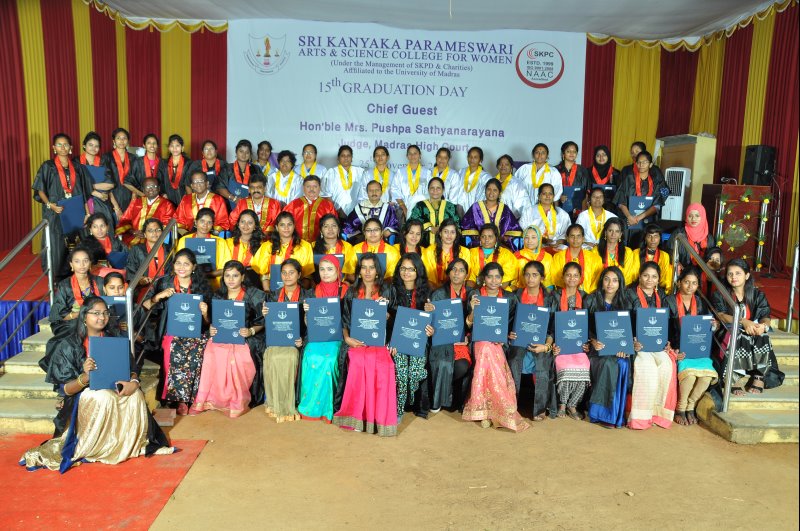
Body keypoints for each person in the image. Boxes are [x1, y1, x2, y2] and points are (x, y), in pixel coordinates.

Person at [20, 297, 173, 472]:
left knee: (135, 395)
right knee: (104, 396)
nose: (102, 317)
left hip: (115, 387)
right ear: (84, 316)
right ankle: (99, 447)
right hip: (82, 394)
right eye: (96, 313)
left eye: (105, 313)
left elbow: (130, 369)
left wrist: (134, 382)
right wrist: (85, 377)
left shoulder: (116, 339)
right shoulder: (68, 345)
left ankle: (125, 444)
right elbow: (66, 389)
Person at [333, 253, 397, 436]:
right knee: (358, 361)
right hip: (357, 341)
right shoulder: (352, 292)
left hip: (380, 342)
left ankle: (378, 417)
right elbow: (344, 320)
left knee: (383, 365)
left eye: (372, 267)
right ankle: (356, 415)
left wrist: (387, 315)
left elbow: (396, 319)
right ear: (359, 271)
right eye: (364, 267)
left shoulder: (387, 291)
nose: (368, 271)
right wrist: (347, 339)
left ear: (378, 271)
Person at [191, 260, 265, 417]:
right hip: (222, 336)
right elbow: (212, 321)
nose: (231, 279)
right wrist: (209, 324)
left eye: (235, 276)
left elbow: (262, 322)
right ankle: (213, 398)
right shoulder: (218, 295)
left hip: (244, 338)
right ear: (222, 277)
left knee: (237, 355)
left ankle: (235, 399)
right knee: (210, 351)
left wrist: (251, 331)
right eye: (227, 275)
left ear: (242, 277)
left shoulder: (254, 295)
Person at [142, 249, 212, 415]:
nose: (182, 267)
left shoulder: (201, 286)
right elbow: (145, 306)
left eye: (186, 264)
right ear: (173, 265)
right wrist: (158, 296)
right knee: (175, 346)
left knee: (199, 348)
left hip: (195, 332)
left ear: (194, 267)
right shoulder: (163, 282)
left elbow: (208, 322)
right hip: (171, 331)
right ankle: (178, 399)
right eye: (178, 263)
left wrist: (205, 313)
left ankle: (192, 398)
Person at [462, 263, 529, 431]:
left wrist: (509, 335)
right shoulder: (476, 295)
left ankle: (489, 410)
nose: (493, 280)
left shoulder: (510, 298)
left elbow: (515, 323)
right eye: (490, 276)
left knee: (490, 349)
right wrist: (473, 310)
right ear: (484, 278)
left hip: (501, 342)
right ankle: (487, 411)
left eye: (497, 277)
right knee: (486, 348)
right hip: (478, 340)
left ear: (502, 279)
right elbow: (468, 324)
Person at [712, 259, 782, 395]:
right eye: (730, 274)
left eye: (738, 273)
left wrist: (763, 326)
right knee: (737, 335)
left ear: (747, 275)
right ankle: (734, 377)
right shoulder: (721, 294)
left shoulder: (757, 295)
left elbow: (765, 315)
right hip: (728, 329)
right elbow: (721, 315)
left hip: (751, 329)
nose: (733, 277)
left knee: (762, 335)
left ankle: (759, 376)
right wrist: (743, 321)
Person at [33, 133, 93, 280]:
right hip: (56, 212)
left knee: (80, 242)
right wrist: (50, 205)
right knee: (56, 245)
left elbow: (85, 192)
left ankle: (80, 276)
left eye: (65, 144)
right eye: (59, 145)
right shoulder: (48, 166)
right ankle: (56, 278)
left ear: (71, 147)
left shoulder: (78, 167)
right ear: (54, 148)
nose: (63, 147)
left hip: (76, 211)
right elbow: (40, 189)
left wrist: (87, 213)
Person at [665, 266, 719, 426]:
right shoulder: (669, 301)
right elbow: (664, 327)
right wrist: (672, 349)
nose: (690, 286)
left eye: (694, 283)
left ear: (698, 286)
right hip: (678, 349)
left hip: (697, 350)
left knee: (707, 377)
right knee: (689, 377)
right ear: (679, 282)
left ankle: (690, 406)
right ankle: (680, 408)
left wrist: (713, 325)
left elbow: (705, 327)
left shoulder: (700, 302)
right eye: (686, 282)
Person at [298, 255, 349, 422]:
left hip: (338, 336)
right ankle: (310, 406)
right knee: (311, 356)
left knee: (329, 360)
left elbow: (350, 319)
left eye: (330, 269)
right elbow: (308, 324)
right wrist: (307, 312)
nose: (325, 273)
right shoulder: (313, 292)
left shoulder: (347, 291)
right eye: (322, 269)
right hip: (317, 335)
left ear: (338, 271)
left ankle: (328, 407)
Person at [626, 261, 676, 430]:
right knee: (647, 368)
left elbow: (667, 322)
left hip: (656, 344)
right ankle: (641, 416)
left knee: (666, 365)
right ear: (639, 276)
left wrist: (667, 341)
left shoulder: (662, 295)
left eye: (654, 277)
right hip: (638, 344)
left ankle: (657, 414)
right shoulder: (629, 294)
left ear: (658, 279)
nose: (649, 279)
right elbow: (625, 321)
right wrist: (632, 341)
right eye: (646, 275)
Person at [585, 266, 633, 428]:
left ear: (620, 283)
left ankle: (615, 415)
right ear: (601, 281)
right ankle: (601, 414)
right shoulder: (591, 300)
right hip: (597, 349)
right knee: (608, 363)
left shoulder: (626, 303)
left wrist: (625, 349)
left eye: (614, 280)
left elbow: (628, 332)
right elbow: (584, 327)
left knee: (623, 363)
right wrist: (592, 341)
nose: (610, 284)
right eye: (606, 279)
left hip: (617, 350)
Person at [389, 253, 435, 419]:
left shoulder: (428, 292)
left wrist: (431, 329)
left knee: (415, 373)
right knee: (401, 372)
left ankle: (413, 397)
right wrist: (391, 342)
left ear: (418, 271)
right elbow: (388, 320)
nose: (406, 272)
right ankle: (398, 410)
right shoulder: (391, 290)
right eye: (403, 268)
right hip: (397, 341)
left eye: (411, 269)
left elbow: (435, 323)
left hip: (420, 341)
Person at [262, 259, 307, 422]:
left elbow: (313, 325)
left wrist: (303, 339)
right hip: (277, 339)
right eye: (284, 273)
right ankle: (274, 402)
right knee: (271, 355)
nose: (287, 276)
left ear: (299, 274)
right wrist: (266, 315)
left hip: (297, 340)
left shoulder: (308, 295)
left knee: (290, 356)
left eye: (291, 272)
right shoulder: (273, 296)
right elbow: (269, 325)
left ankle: (288, 403)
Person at [426, 258, 473, 412]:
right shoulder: (439, 294)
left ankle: (449, 396)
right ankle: (440, 399)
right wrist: (429, 312)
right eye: (454, 269)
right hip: (442, 339)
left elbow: (476, 322)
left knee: (462, 365)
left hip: (462, 342)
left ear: (466, 275)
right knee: (443, 362)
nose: (457, 273)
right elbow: (433, 322)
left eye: (461, 270)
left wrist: (467, 337)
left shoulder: (471, 294)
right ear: (448, 273)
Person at [514, 260, 557, 420]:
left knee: (543, 362)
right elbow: (509, 321)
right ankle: (511, 405)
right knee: (513, 360)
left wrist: (546, 346)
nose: (530, 278)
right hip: (519, 341)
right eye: (527, 275)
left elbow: (553, 328)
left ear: (542, 278)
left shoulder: (550, 298)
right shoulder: (516, 295)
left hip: (541, 342)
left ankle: (540, 408)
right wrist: (510, 335)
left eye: (535, 275)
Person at [547, 262, 589, 419]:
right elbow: (551, 323)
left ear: (580, 278)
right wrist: (552, 344)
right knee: (564, 367)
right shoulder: (555, 296)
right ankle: (562, 404)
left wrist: (587, 343)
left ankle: (573, 404)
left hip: (579, 346)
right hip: (560, 344)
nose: (572, 278)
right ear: (563, 277)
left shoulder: (586, 297)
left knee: (584, 367)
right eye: (568, 275)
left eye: (576, 275)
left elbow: (588, 325)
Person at [614, 150, 669, 247]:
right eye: (639, 162)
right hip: (629, 222)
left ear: (650, 164)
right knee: (628, 247)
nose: (641, 165)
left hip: (648, 222)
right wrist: (629, 217)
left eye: (645, 162)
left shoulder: (656, 182)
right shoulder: (629, 179)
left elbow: (656, 205)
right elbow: (621, 201)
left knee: (645, 247)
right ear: (636, 164)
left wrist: (638, 217)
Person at [49, 246, 105, 336]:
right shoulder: (65, 285)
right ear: (71, 264)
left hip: (98, 319)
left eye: (85, 261)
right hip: (72, 322)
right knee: (77, 326)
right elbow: (59, 315)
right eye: (77, 261)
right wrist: (81, 314)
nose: (82, 265)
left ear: (90, 263)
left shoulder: (100, 282)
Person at [251, 211, 315, 290]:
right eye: (282, 225)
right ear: (277, 227)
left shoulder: (305, 246)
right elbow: (264, 275)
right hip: (272, 290)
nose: (286, 228)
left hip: (298, 290)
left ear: (294, 226)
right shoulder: (267, 246)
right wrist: (268, 293)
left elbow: (307, 276)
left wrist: (298, 293)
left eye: (289, 224)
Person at [176, 208, 232, 290]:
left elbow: (226, 268)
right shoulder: (184, 240)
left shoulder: (220, 242)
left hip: (214, 285)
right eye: (202, 221)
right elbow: (178, 265)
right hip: (189, 285)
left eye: (209, 222)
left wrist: (205, 275)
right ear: (196, 222)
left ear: (212, 224)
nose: (205, 225)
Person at [461, 178, 523, 250]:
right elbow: (465, 229)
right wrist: (481, 240)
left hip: (500, 248)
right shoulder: (475, 207)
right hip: (479, 248)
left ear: (499, 193)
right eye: (489, 189)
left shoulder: (505, 209)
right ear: (485, 191)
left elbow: (515, 231)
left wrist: (503, 239)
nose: (491, 193)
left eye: (495, 190)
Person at [115, 177, 176, 246]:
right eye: (147, 187)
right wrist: (132, 231)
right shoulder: (135, 203)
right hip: (134, 238)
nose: (151, 189)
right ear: (143, 190)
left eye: (154, 186)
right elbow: (124, 220)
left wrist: (148, 233)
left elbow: (167, 226)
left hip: (156, 241)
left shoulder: (167, 205)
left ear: (159, 189)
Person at [78, 131, 120, 230]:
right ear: (84, 146)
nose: (93, 148)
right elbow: (77, 185)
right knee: (87, 232)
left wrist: (91, 186)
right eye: (90, 145)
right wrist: (96, 193)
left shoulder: (103, 161)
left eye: (96, 146)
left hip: (102, 201)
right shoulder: (76, 162)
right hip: (83, 203)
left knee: (105, 229)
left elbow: (110, 184)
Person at [281, 175, 337, 242]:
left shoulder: (328, 206)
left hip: (321, 244)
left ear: (320, 188)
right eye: (308, 187)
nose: (311, 189)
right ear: (303, 188)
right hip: (297, 243)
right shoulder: (293, 205)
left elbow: (335, 226)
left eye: (315, 186)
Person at [126, 218, 171, 302]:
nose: (154, 233)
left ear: (163, 232)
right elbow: (131, 272)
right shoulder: (136, 249)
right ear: (145, 234)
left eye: (158, 230)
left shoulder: (170, 250)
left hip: (166, 289)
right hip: (143, 290)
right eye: (150, 230)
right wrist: (140, 280)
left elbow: (172, 272)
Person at [550, 224, 602, 293]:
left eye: (578, 236)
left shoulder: (594, 258)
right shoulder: (558, 257)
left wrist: (588, 296)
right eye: (572, 236)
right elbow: (556, 280)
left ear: (583, 239)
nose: (575, 239)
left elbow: (596, 281)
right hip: (564, 295)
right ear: (567, 238)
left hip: (589, 296)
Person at [408, 177, 460, 247]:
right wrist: (429, 228)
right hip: (424, 245)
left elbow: (456, 224)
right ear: (428, 190)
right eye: (432, 188)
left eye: (438, 188)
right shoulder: (420, 205)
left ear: (443, 190)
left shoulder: (450, 207)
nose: (435, 191)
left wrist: (443, 228)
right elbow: (412, 222)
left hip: (446, 246)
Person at [421, 219, 470, 289]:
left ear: (456, 234)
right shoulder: (429, 251)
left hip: (457, 289)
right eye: (446, 232)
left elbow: (465, 276)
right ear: (440, 233)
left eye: (452, 232)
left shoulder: (464, 252)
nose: (449, 235)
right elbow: (428, 277)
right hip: (434, 290)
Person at [520, 183, 571, 249]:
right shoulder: (529, 211)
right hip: (534, 246)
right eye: (544, 194)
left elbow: (567, 234)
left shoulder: (562, 214)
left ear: (553, 196)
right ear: (539, 196)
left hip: (557, 247)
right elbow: (524, 230)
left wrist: (558, 242)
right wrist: (543, 240)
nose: (547, 196)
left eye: (550, 194)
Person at [467, 223, 518, 288]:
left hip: (500, 290)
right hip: (476, 289)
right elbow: (469, 279)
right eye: (483, 236)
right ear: (480, 238)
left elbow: (506, 281)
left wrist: (492, 292)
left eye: (490, 236)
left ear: (496, 238)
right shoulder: (472, 253)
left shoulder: (506, 254)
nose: (486, 240)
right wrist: (479, 291)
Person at [667, 203, 715, 271]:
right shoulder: (678, 234)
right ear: (686, 217)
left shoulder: (709, 238)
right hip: (682, 273)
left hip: (703, 274)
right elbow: (669, 252)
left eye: (697, 216)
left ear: (703, 217)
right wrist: (678, 266)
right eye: (690, 216)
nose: (693, 219)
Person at [593, 218, 639, 286]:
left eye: (617, 231)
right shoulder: (596, 251)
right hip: (601, 287)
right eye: (610, 231)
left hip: (622, 288)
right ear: (605, 232)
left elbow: (627, 276)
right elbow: (594, 275)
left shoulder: (628, 252)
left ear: (620, 234)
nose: (613, 234)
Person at [321, 145, 365, 217]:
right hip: (337, 213)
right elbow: (326, 195)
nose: (346, 158)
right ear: (338, 158)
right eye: (343, 156)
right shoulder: (331, 172)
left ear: (352, 158)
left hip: (357, 214)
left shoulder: (360, 172)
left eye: (348, 155)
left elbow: (364, 194)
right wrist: (336, 211)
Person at [390, 144, 431, 219]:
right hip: (403, 209)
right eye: (410, 153)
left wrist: (421, 207)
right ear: (407, 156)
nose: (413, 156)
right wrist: (404, 207)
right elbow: (395, 189)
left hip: (421, 208)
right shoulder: (400, 172)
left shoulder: (427, 173)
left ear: (420, 155)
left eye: (415, 153)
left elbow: (430, 191)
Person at [216, 139, 261, 207]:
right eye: (241, 151)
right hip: (230, 206)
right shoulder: (227, 168)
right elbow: (219, 187)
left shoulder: (256, 169)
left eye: (247, 152)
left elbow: (261, 187)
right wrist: (234, 198)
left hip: (250, 205)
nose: (244, 154)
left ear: (250, 155)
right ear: (236, 152)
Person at [225, 209, 264, 287]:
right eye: (242, 222)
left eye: (250, 223)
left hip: (253, 285)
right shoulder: (227, 243)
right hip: (229, 284)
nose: (245, 225)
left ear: (255, 226)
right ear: (238, 224)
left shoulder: (262, 246)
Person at [103, 128, 138, 212]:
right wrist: (116, 207)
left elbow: (136, 180)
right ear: (114, 141)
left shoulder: (133, 158)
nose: (122, 141)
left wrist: (133, 199)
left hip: (130, 195)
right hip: (112, 197)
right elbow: (106, 181)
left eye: (124, 138)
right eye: (118, 138)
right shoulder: (107, 157)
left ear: (128, 141)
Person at [448, 146, 491, 215]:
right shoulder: (461, 171)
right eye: (470, 156)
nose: (472, 159)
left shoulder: (485, 177)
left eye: (475, 157)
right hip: (459, 210)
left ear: (480, 160)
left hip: (476, 212)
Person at [314, 213, 357, 282]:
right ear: (321, 231)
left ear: (339, 230)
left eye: (334, 226)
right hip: (318, 284)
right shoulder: (312, 246)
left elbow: (350, 274)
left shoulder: (347, 247)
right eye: (326, 226)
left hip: (341, 284)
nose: (330, 229)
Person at [556, 141, 590, 218]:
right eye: (568, 151)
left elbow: (586, 191)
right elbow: (550, 189)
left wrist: (583, 210)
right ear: (563, 154)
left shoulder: (583, 170)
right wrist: (558, 197)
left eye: (574, 151)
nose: (571, 153)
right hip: (559, 206)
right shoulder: (555, 170)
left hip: (578, 207)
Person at [513, 226, 553, 290]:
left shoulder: (547, 257)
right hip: (520, 291)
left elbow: (548, 281)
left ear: (539, 239)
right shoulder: (517, 256)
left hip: (542, 292)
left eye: (533, 237)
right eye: (526, 237)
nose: (529, 241)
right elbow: (513, 280)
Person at [157, 134, 192, 207]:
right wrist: (163, 193)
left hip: (184, 197)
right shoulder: (163, 163)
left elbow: (190, 181)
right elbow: (160, 180)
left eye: (177, 146)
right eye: (172, 146)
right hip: (168, 198)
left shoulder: (188, 163)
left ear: (182, 148)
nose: (174, 148)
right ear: (169, 148)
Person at [493, 154, 531, 219]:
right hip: (492, 218)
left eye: (506, 164)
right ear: (497, 166)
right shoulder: (491, 181)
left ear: (511, 167)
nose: (503, 166)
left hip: (510, 219)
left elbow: (521, 204)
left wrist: (509, 217)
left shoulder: (517, 183)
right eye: (501, 164)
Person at [639, 223, 673, 293]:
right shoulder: (636, 253)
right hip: (638, 287)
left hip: (658, 289)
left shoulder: (665, 255)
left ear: (660, 238)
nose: (653, 240)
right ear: (645, 238)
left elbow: (665, 278)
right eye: (649, 236)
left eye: (656, 236)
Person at [129, 134, 162, 200]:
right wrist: (141, 194)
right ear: (144, 145)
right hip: (141, 197)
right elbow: (127, 181)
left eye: (154, 143)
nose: (152, 145)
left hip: (159, 198)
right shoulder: (137, 162)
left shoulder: (163, 162)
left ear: (157, 145)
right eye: (149, 143)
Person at [588, 145, 619, 209]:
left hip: (611, 208)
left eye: (604, 155)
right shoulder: (587, 172)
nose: (601, 157)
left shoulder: (616, 173)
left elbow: (619, 194)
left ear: (608, 156)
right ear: (594, 157)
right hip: (591, 206)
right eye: (598, 155)